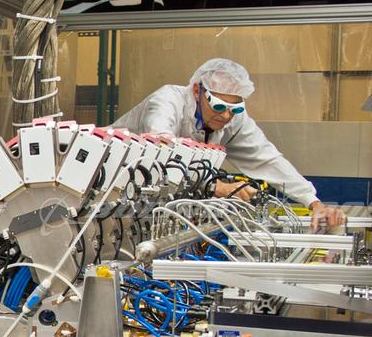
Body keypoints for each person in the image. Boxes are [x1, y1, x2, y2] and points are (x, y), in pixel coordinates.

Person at [112, 58, 346, 230]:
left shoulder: (232, 120)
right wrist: (216, 187)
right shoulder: (167, 101)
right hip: (111, 196)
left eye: (234, 108)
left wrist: (313, 202)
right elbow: (162, 153)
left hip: (156, 209)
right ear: (197, 90)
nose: (226, 116)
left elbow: (267, 159)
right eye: (219, 106)